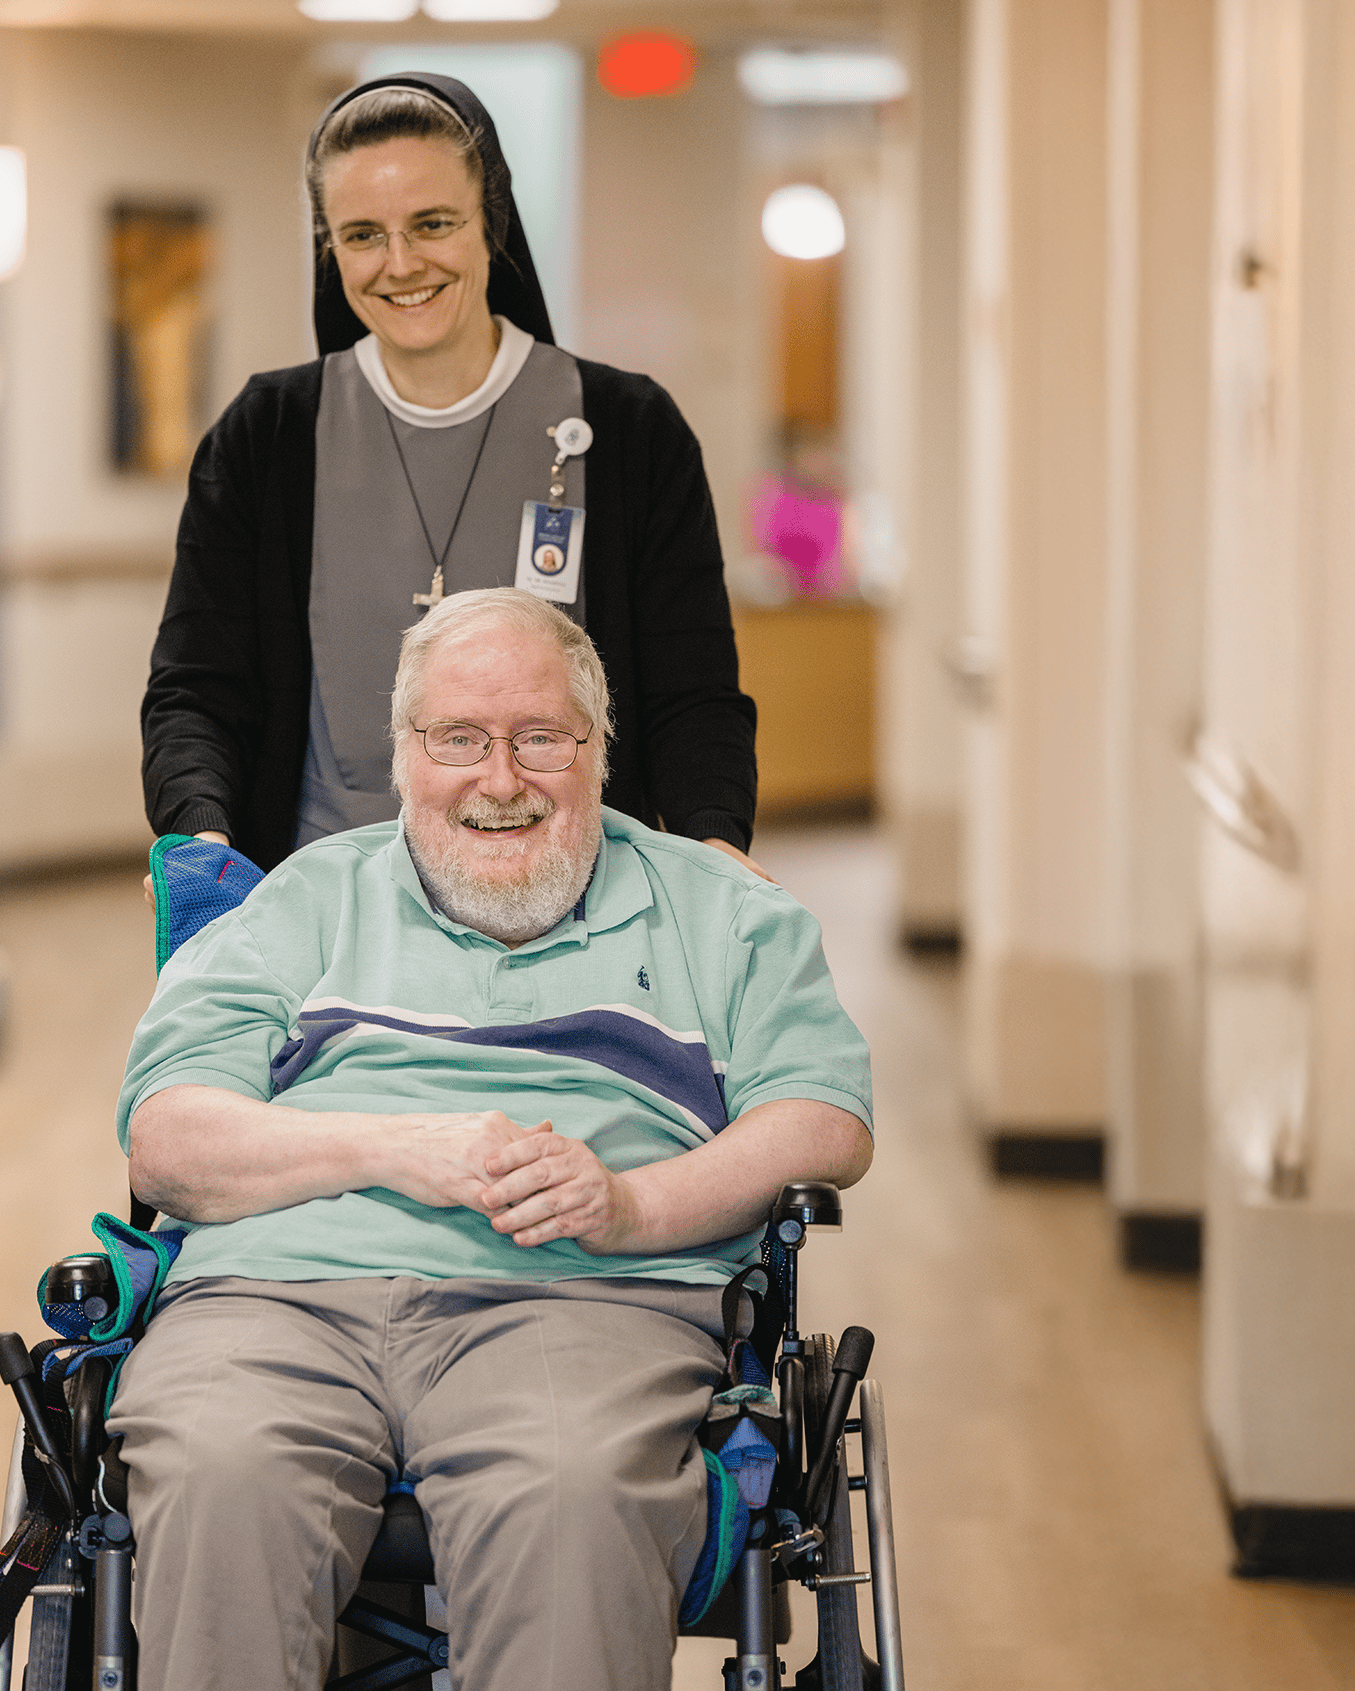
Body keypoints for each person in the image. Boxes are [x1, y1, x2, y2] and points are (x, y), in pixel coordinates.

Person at [111, 587, 872, 1689]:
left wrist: (631, 1205)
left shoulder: (724, 909)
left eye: (541, 738)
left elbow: (825, 1120)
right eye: (459, 737)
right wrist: (390, 1146)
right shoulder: (301, 899)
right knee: (223, 1469)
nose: (500, 779)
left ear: (599, 749)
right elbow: (169, 1138)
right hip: (275, 1299)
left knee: (568, 1491)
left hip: (587, 1299)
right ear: (404, 751)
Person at [141, 71, 766, 878]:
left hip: (575, 920)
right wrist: (202, 835)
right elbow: (195, 690)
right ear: (331, 246)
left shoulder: (631, 433)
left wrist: (714, 843)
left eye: (432, 222)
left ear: (491, 223)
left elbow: (694, 697)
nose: (400, 264)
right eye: (362, 234)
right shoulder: (265, 439)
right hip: (328, 920)